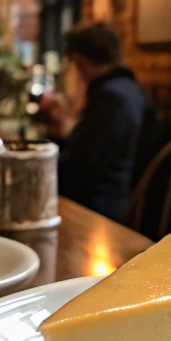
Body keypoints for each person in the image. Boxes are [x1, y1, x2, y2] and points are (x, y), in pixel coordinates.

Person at [41, 23, 156, 223]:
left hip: (99, 210)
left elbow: (79, 173)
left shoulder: (112, 99)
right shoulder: (132, 90)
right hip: (119, 200)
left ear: (80, 61)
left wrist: (52, 139)